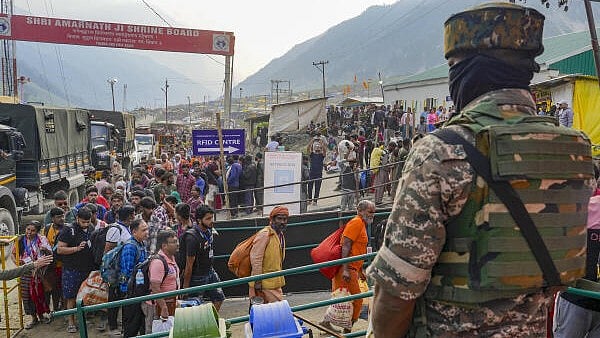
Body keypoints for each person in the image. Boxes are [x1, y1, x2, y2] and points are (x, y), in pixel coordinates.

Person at [367, 3, 594, 337]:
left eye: (452, 67)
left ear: (468, 70)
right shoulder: (575, 151)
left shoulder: (442, 152)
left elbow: (397, 293)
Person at [319, 200, 375, 333]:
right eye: (370, 212)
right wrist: (345, 269)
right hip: (348, 269)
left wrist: (360, 270)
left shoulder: (361, 224)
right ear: (360, 211)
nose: (372, 215)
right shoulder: (356, 223)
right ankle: (346, 330)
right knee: (356, 299)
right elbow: (346, 245)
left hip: (352, 268)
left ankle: (329, 323)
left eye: (373, 212)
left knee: (344, 297)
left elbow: (356, 249)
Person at [56, 207, 95, 334]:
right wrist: (76, 249)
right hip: (71, 269)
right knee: (71, 296)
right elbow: (60, 249)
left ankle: (82, 318)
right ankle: (71, 321)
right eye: (83, 222)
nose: (85, 224)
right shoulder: (68, 230)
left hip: (87, 268)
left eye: (88, 222)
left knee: (84, 295)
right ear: (77, 218)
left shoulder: (91, 228)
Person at [181, 205, 225, 310]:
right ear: (199, 220)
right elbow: (189, 264)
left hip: (210, 271)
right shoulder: (192, 238)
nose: (211, 221)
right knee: (194, 307)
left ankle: (212, 322)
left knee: (219, 298)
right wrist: (185, 288)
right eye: (208, 219)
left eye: (212, 217)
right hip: (197, 276)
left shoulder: (209, 230)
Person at [12, 221, 53, 329]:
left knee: (40, 294)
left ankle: (42, 315)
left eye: (32, 230)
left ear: (37, 231)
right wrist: (18, 263)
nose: (29, 232)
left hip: (39, 271)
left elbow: (50, 254)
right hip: (25, 272)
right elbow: (13, 254)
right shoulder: (20, 240)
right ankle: (33, 318)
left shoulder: (42, 239)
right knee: (26, 296)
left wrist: (45, 250)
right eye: (28, 229)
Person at [142, 230, 180, 334]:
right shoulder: (158, 262)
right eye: (174, 242)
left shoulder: (171, 257)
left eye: (177, 241)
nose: (177, 244)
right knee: (153, 332)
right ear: (164, 246)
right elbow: (155, 288)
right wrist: (163, 307)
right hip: (156, 306)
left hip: (170, 303)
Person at [104, 205, 134, 335]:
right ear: (130, 216)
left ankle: (119, 323)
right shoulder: (115, 230)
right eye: (133, 214)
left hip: (124, 269)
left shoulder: (126, 228)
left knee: (122, 297)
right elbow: (108, 251)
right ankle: (112, 326)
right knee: (114, 298)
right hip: (115, 271)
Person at [249, 206, 288, 304]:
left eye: (284, 219)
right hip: (264, 284)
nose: (282, 222)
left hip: (274, 282)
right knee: (271, 313)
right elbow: (256, 259)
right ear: (272, 219)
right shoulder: (265, 234)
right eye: (279, 219)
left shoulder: (280, 235)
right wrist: (258, 281)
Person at [120, 219, 150, 337]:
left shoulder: (142, 243)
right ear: (134, 232)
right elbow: (127, 271)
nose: (147, 232)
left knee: (141, 322)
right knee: (132, 325)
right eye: (143, 230)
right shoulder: (130, 247)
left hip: (139, 290)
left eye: (147, 229)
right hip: (130, 292)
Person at [43, 207, 66, 312]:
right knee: (52, 289)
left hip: (63, 265)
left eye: (63, 216)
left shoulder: (67, 229)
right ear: (52, 218)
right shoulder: (47, 229)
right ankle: (54, 309)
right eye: (58, 217)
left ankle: (64, 309)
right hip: (50, 265)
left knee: (63, 288)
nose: (62, 219)